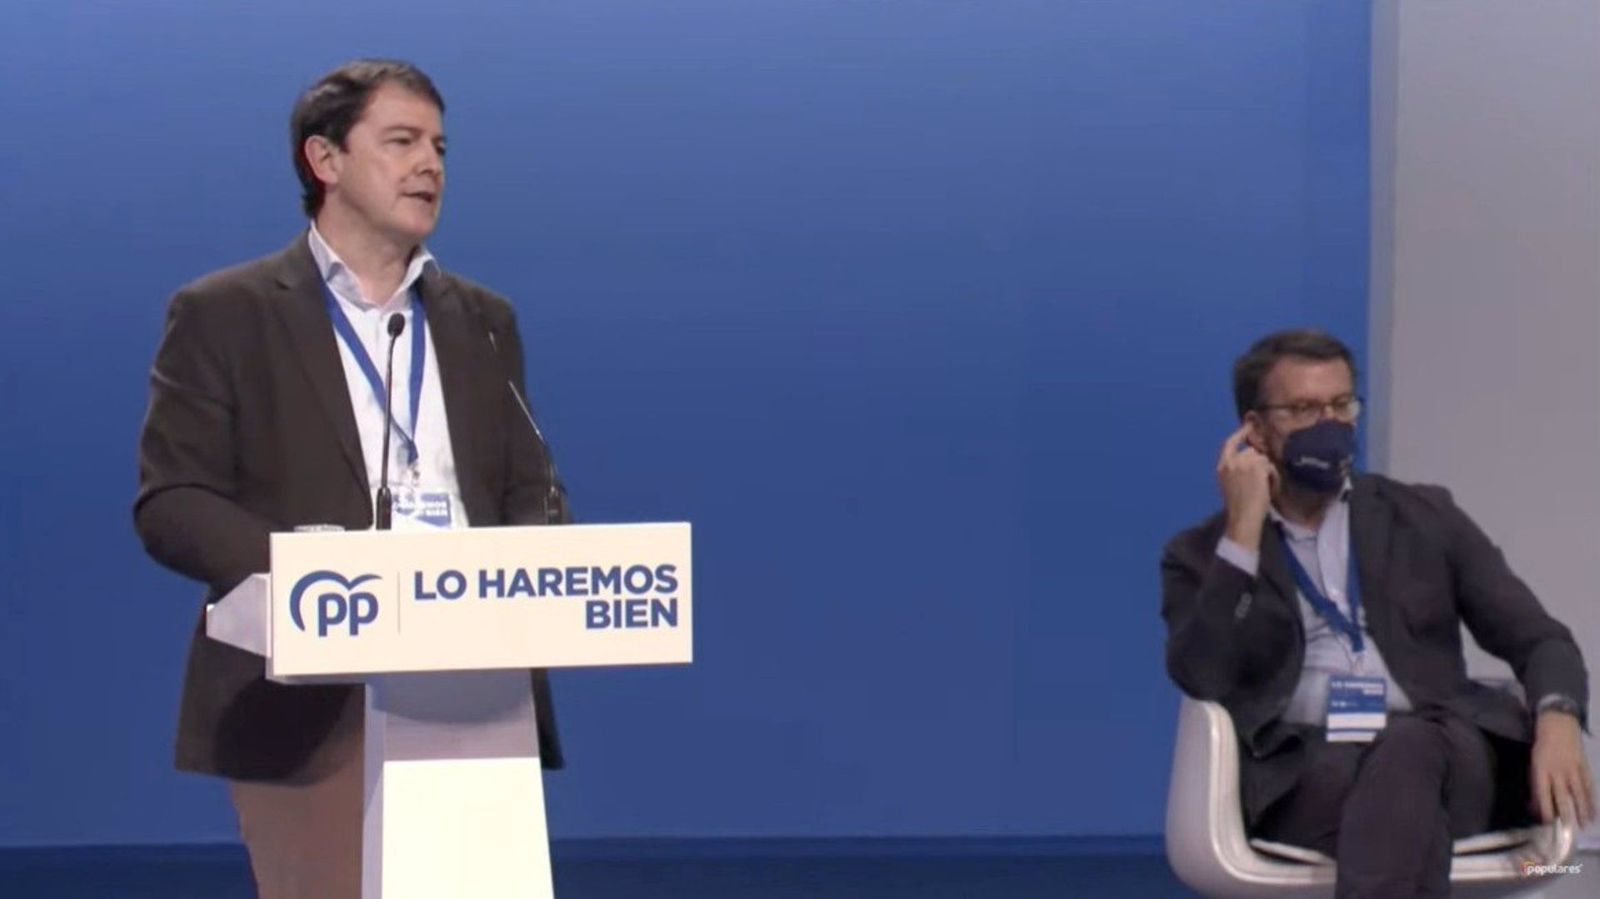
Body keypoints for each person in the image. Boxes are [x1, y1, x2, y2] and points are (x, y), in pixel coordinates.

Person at [134, 59, 567, 898]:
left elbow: (529, 488)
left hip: (477, 689)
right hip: (308, 703)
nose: (430, 164)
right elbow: (173, 501)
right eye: (401, 141)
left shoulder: (483, 320)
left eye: (439, 146)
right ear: (324, 159)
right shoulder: (225, 313)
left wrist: (538, 562)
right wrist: (324, 582)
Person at [1161, 329, 1594, 898]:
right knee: (1402, 803)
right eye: (1304, 409)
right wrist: (1243, 534)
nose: (1330, 424)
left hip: (1449, 753)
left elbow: (1540, 639)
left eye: (1342, 405)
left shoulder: (1424, 517)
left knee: (1413, 746)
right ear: (1255, 430)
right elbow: (1202, 675)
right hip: (1307, 772)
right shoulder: (1201, 555)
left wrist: (1559, 717)